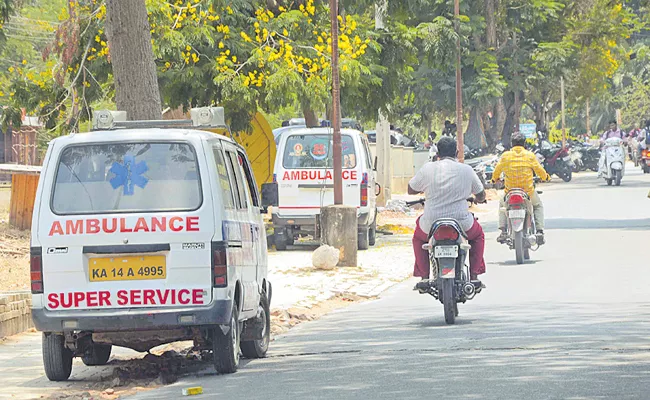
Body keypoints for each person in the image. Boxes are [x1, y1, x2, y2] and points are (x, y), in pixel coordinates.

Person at [408, 137, 487, 285]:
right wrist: (478, 199)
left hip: (431, 224)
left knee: (418, 239)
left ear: (437, 153)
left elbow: (411, 189)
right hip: (462, 223)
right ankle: (474, 276)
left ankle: (424, 276)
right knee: (478, 236)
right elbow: (481, 194)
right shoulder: (467, 170)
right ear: (457, 152)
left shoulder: (427, 168)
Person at [492, 133, 551, 245]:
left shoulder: (505, 156)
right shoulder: (529, 155)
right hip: (527, 192)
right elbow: (539, 170)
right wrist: (546, 177)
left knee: (502, 206)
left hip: (509, 192)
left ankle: (503, 230)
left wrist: (494, 180)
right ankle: (539, 231)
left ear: (511, 144)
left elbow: (497, 171)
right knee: (537, 206)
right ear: (524, 144)